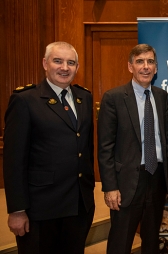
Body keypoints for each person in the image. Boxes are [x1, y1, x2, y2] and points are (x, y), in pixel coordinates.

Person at [3, 41, 95, 254]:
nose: (65, 67)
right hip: (41, 208)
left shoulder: (84, 97)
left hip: (79, 205)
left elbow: (86, 148)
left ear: (77, 67)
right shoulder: (25, 100)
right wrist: (17, 210)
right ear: (45, 64)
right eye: (58, 61)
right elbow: (13, 161)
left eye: (71, 63)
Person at [97, 43, 168, 254]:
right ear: (130, 66)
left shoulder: (161, 96)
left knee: (151, 241)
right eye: (140, 61)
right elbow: (105, 147)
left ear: (156, 68)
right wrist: (110, 187)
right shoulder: (113, 98)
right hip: (127, 183)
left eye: (150, 62)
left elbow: (167, 139)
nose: (146, 66)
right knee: (120, 242)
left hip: (157, 177)